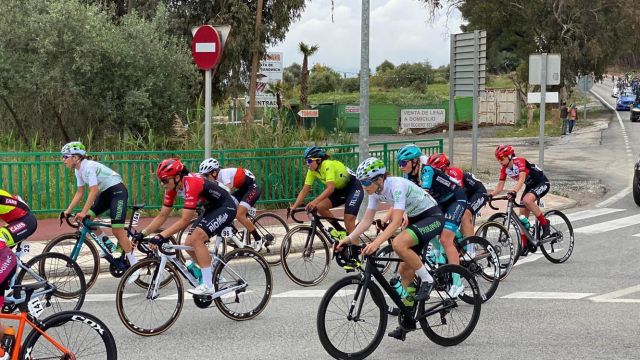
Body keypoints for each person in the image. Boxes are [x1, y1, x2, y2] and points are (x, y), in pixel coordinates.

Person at [335, 157, 443, 340]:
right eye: (361, 182)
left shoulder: (396, 185)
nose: (364, 186)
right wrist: (348, 238)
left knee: (399, 244)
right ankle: (408, 319)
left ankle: (428, 279)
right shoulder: (375, 192)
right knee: (404, 269)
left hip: (432, 216)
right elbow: (367, 220)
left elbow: (395, 222)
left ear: (379, 179)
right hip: (417, 219)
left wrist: (376, 243)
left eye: (366, 182)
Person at [137, 158, 237, 295]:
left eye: (165, 180)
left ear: (177, 177)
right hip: (210, 208)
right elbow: (162, 216)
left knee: (196, 238)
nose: (162, 184)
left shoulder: (191, 183)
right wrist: (143, 233)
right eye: (161, 181)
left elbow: (185, 220)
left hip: (226, 207)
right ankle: (215, 276)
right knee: (188, 243)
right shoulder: (172, 187)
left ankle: (208, 285)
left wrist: (161, 236)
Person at [61, 142, 137, 266]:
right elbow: (80, 192)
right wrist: (68, 210)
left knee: (117, 230)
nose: (63, 160)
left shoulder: (89, 166)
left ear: (75, 157)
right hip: (106, 193)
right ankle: (108, 245)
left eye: (65, 156)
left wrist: (83, 212)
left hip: (117, 191)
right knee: (88, 220)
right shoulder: (78, 171)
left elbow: (94, 190)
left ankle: (135, 264)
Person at [396, 145, 467, 278]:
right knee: (428, 226)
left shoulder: (426, 170)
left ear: (415, 161)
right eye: (399, 163)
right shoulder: (407, 175)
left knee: (446, 240)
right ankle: (441, 250)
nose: (401, 166)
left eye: (403, 162)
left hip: (455, 199)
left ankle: (457, 282)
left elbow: (424, 195)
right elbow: (404, 197)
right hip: (438, 202)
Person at [489, 144, 551, 256]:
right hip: (530, 186)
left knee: (527, 200)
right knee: (522, 216)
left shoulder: (520, 161)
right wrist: (490, 195)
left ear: (509, 156)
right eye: (498, 159)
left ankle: (545, 223)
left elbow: (522, 179)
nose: (500, 161)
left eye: (502, 158)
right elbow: (500, 186)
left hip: (542, 183)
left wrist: (514, 192)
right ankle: (525, 244)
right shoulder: (504, 168)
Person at [289, 146, 364, 239]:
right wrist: (294, 207)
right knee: (320, 207)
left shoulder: (327, 165)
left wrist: (314, 202)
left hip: (353, 188)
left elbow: (330, 189)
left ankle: (355, 251)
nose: (307, 164)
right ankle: (341, 231)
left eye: (309, 161)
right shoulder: (312, 170)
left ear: (319, 160)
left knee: (348, 221)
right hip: (339, 190)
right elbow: (305, 189)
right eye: (306, 161)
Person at [199, 158, 265, 247]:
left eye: (206, 175)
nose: (206, 178)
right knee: (227, 207)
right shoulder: (217, 178)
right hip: (242, 190)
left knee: (239, 215)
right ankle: (232, 232)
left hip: (252, 188)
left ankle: (258, 239)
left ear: (214, 173)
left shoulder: (224, 173)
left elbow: (227, 189)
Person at [426, 153, 488, 239]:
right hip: (465, 195)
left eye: (437, 170)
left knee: (465, 216)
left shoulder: (454, 173)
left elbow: (460, 194)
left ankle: (472, 249)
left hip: (478, 193)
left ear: (445, 168)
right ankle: (462, 243)